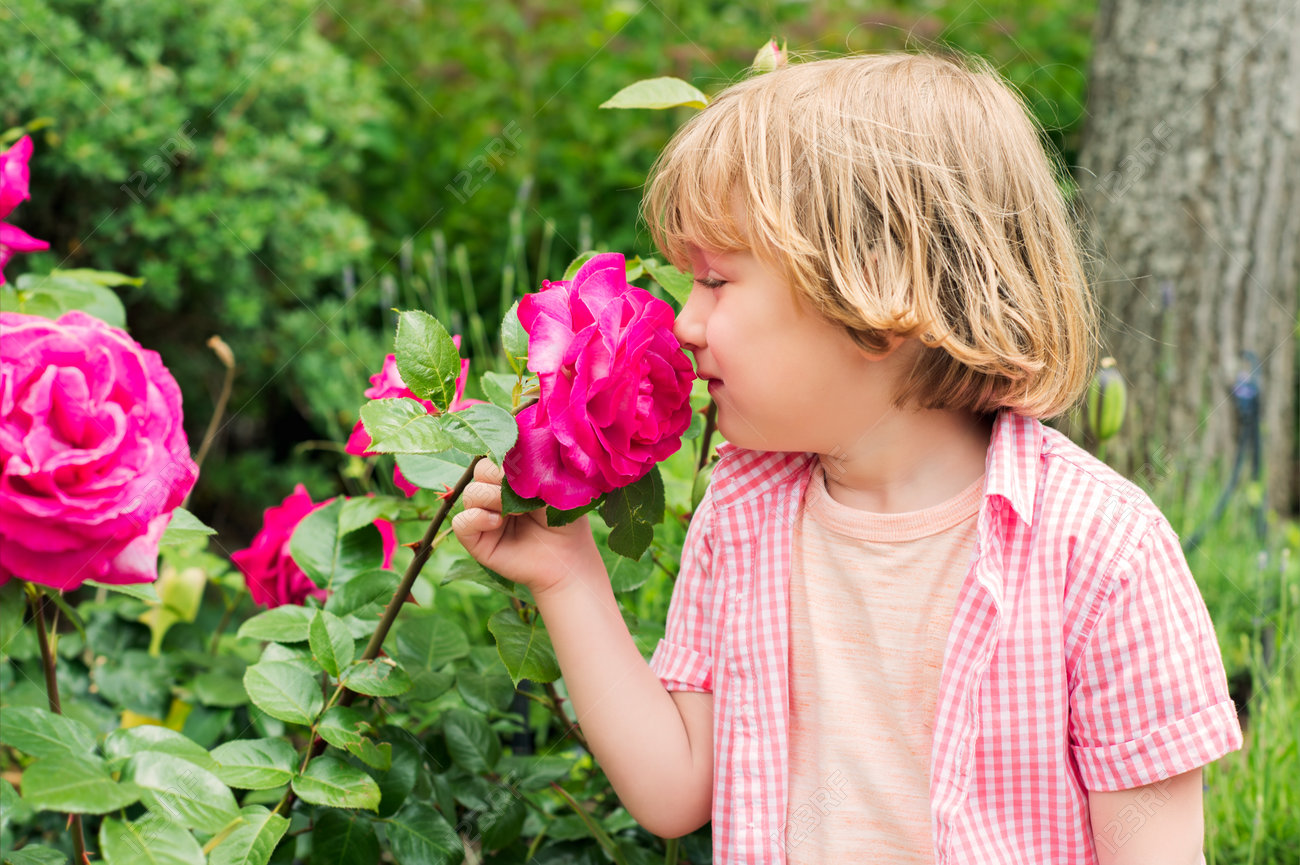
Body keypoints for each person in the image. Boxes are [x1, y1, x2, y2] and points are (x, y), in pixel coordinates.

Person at [451, 52, 1242, 864]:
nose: (684, 323)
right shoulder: (743, 514)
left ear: (874, 294)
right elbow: (675, 787)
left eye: (716, 281)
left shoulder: (1101, 553)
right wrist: (568, 574)